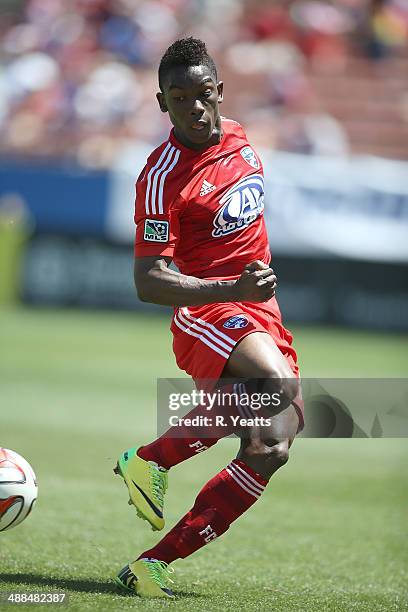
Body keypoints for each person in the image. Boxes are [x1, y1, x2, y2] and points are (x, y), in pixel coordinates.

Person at [114, 37, 303, 599]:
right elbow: (149, 282)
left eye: (202, 94)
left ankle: (154, 562)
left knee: (276, 442)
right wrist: (231, 286)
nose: (193, 107)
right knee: (276, 385)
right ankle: (153, 457)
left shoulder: (242, 140)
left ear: (219, 92)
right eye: (178, 98)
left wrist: (251, 289)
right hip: (205, 308)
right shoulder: (161, 177)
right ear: (161, 103)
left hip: (260, 309)